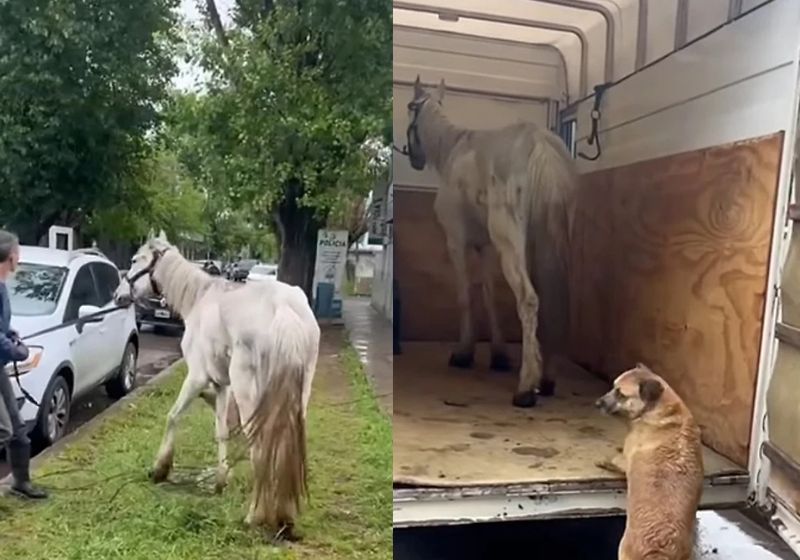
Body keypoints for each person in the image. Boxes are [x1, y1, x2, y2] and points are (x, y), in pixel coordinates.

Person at [0, 230, 47, 499]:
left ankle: (21, 483)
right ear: (9, 256)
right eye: (18, 252)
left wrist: (10, 333)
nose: (20, 257)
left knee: (17, 428)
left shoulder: (2, 285)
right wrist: (17, 351)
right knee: (3, 429)